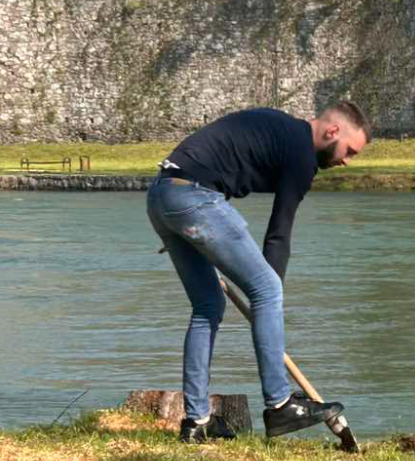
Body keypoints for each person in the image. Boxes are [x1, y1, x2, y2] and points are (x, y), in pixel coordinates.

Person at [146, 103, 370, 443]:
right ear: (332, 132)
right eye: (349, 151)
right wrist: (265, 300)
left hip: (163, 196)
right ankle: (280, 404)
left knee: (208, 307)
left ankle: (196, 421)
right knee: (267, 290)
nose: (347, 161)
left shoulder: (282, 129)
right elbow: (279, 234)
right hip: (195, 199)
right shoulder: (301, 155)